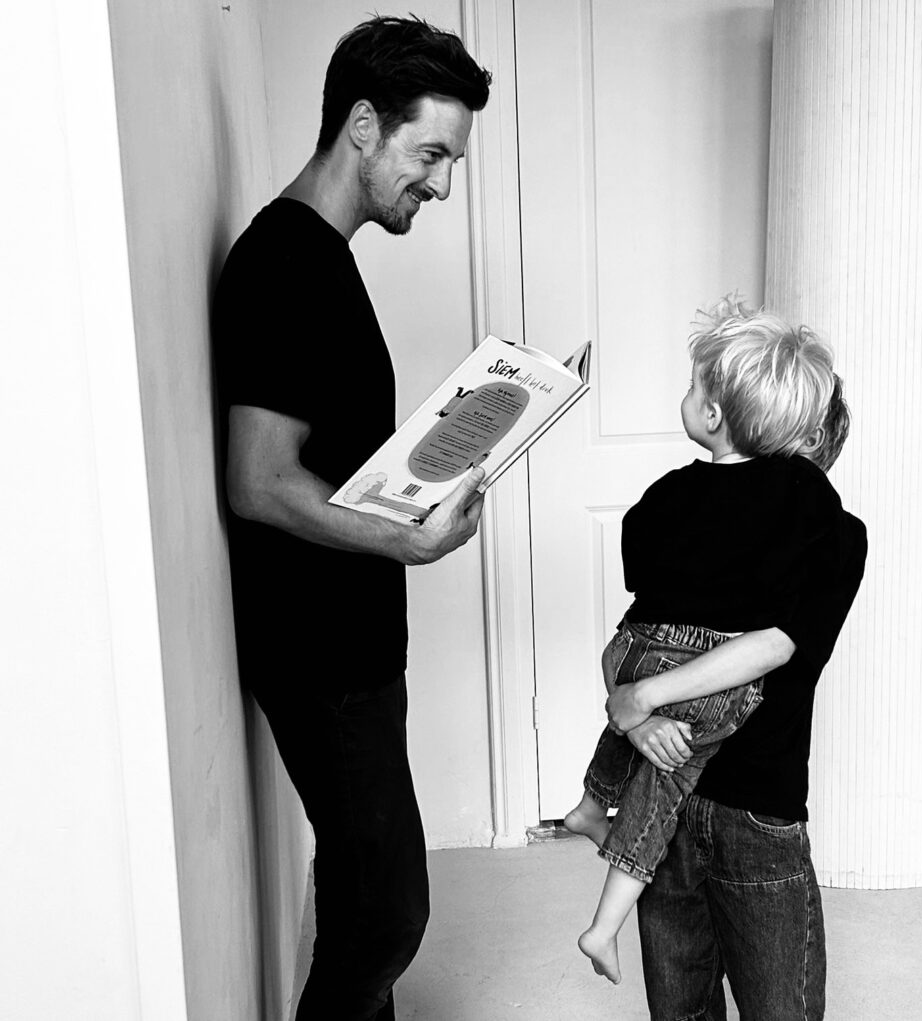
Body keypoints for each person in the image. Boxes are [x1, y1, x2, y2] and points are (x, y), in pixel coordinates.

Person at [212, 16, 491, 1021]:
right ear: (363, 126)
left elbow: (317, 447)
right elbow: (258, 479)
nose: (441, 184)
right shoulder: (284, 264)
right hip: (319, 655)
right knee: (386, 915)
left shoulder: (320, 255)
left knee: (362, 896)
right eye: (432, 154)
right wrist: (403, 537)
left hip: (353, 641)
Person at [563, 299, 840, 985]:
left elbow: (641, 584)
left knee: (638, 714)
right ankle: (602, 923)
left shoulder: (671, 493)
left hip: (638, 655)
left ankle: (593, 807)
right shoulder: (796, 500)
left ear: (713, 414)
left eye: (693, 387)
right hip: (708, 690)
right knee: (663, 787)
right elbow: (771, 639)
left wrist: (639, 699)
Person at [606, 372, 866, 1020]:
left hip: (754, 812)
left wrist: (642, 699)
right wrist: (634, 714)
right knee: (680, 1008)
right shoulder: (693, 510)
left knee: (778, 1008)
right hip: (666, 793)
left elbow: (779, 644)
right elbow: (637, 636)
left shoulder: (833, 535)